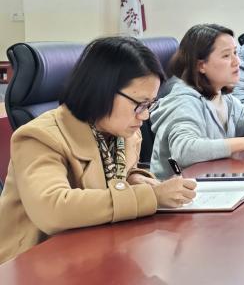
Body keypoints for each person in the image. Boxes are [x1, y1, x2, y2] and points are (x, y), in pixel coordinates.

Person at [0, 37, 197, 264]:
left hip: (93, 251)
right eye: (140, 104)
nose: (145, 115)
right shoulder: (39, 137)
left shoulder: (125, 133)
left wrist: (135, 179)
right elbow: (52, 208)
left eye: (150, 104)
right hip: (34, 263)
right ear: (102, 91)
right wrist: (151, 197)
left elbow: (119, 175)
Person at [150, 24, 244, 179]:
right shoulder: (183, 101)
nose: (237, 62)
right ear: (201, 65)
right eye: (226, 56)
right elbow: (184, 150)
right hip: (176, 191)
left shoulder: (222, 95)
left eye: (235, 53)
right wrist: (242, 143)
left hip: (211, 185)